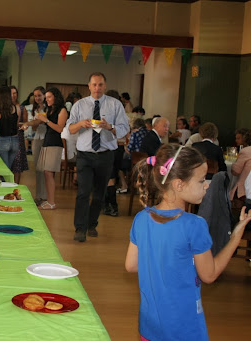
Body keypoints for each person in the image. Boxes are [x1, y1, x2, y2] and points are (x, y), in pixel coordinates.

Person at [125, 144, 251, 341]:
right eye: (201, 180)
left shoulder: (141, 218)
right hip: (184, 329)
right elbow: (209, 275)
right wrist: (235, 237)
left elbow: (131, 265)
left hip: (149, 327)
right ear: (179, 184)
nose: (207, 185)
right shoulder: (194, 225)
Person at [66, 72, 129, 242]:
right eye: (94, 85)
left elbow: (124, 128)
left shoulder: (115, 105)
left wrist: (110, 127)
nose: (97, 88)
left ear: (105, 86)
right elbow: (70, 129)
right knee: (83, 192)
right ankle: (80, 228)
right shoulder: (79, 105)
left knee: (99, 193)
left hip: (106, 155)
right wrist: (81, 123)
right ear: (88, 86)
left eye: (100, 85)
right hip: (85, 155)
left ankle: (92, 223)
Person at [34, 88, 67, 210]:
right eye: (46, 97)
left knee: (49, 172)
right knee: (46, 172)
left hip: (55, 143)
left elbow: (59, 128)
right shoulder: (50, 109)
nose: (46, 99)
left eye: (49, 97)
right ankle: (48, 200)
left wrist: (46, 120)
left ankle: (52, 202)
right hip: (47, 141)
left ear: (55, 97)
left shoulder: (62, 110)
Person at [26, 86, 47, 205]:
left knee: (45, 169)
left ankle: (44, 196)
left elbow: (39, 122)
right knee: (38, 169)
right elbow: (35, 126)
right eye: (35, 96)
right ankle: (39, 195)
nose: (37, 98)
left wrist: (29, 123)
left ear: (44, 95)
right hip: (36, 138)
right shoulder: (35, 108)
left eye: (39, 95)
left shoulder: (48, 107)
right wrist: (32, 124)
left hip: (46, 139)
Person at [9, 86, 29, 184]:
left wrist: (23, 126)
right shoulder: (4, 108)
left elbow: (26, 123)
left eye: (15, 93)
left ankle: (15, 185)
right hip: (7, 137)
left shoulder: (22, 108)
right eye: (11, 93)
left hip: (18, 137)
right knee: (7, 163)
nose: (13, 95)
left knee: (17, 164)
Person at [230, 130, 251, 205]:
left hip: (245, 189)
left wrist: (232, 165)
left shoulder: (245, 151)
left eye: (238, 138)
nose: (236, 140)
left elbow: (236, 171)